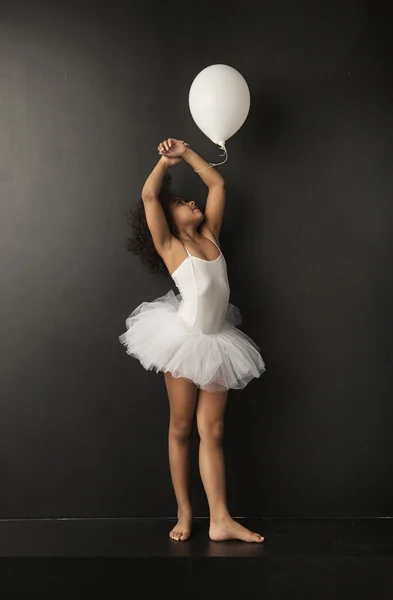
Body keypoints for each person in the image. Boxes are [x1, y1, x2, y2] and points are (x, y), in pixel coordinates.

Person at [119, 138, 266, 543]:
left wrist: (186, 154)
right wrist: (164, 164)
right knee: (182, 428)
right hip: (184, 340)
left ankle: (220, 520)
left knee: (212, 431)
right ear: (169, 218)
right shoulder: (172, 246)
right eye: (182, 202)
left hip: (218, 342)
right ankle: (185, 511)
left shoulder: (211, 234)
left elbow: (217, 185)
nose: (192, 203)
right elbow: (149, 194)